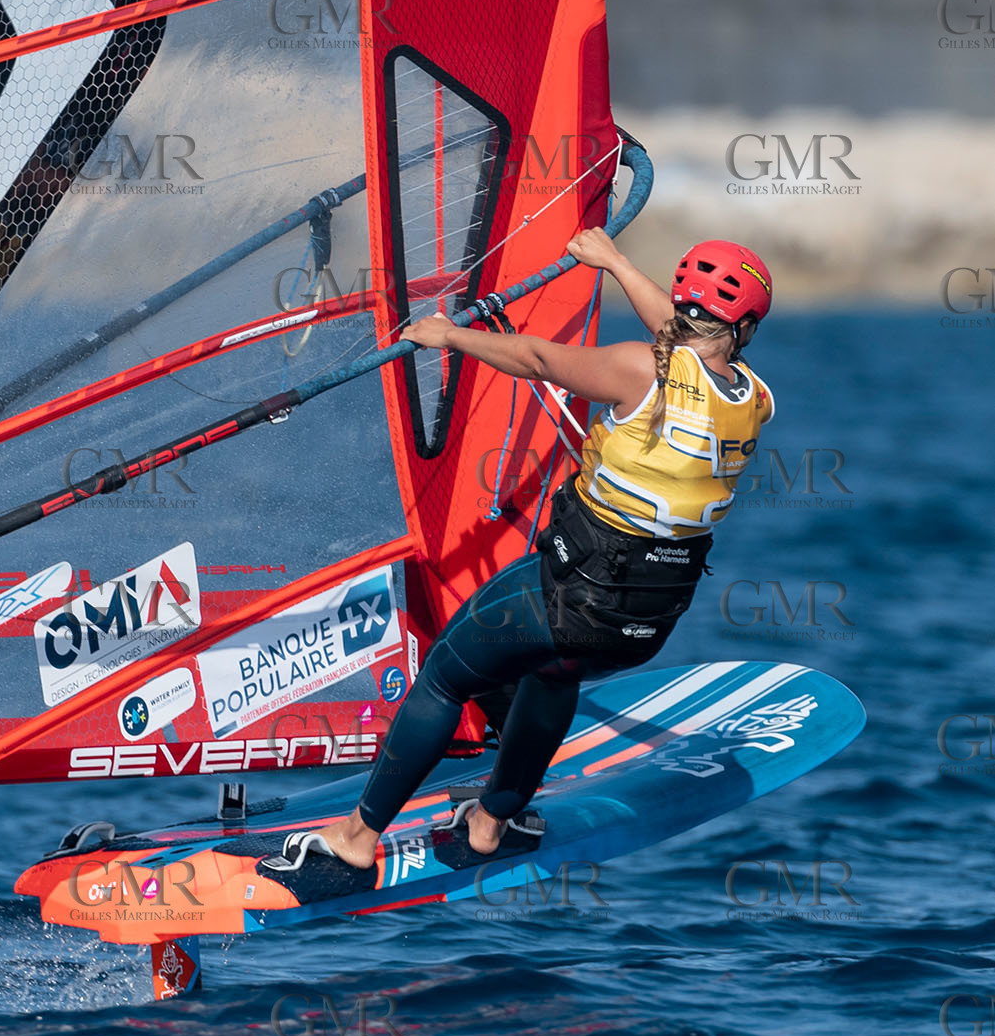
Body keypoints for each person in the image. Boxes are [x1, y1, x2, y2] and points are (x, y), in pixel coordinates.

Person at [262, 230, 775, 893]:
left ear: (680, 303)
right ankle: (487, 823)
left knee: (446, 675)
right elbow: (686, 345)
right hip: (648, 618)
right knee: (553, 674)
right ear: (745, 326)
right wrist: (616, 262)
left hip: (574, 593)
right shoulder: (753, 400)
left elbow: (535, 357)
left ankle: (357, 840)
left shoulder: (638, 369)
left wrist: (449, 337)